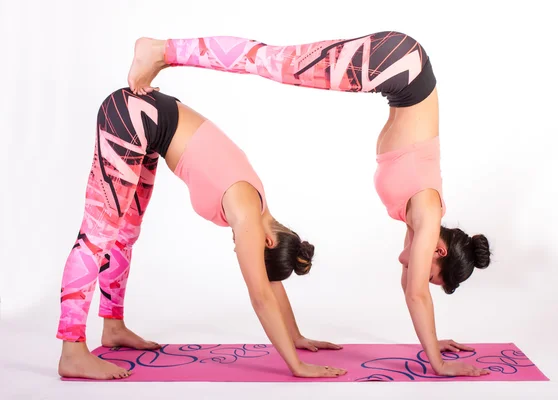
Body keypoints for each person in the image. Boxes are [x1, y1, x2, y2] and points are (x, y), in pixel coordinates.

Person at [128, 30, 493, 377]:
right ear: (439, 250)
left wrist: (430, 342)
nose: (415, 270)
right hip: (401, 62)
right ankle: (162, 50)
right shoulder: (427, 212)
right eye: (430, 273)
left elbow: (409, 289)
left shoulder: (415, 221)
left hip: (399, 74)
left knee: (278, 64)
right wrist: (438, 363)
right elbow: (416, 294)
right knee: (277, 63)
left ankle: (165, 53)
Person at [57, 87, 346, 380]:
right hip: (135, 115)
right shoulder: (247, 213)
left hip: (151, 126)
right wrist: (297, 366)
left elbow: (268, 282)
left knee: (125, 234)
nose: (238, 249)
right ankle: (72, 352)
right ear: (268, 240)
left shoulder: (258, 208)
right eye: (249, 250)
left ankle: (113, 327)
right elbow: (260, 296)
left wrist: (295, 336)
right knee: (97, 237)